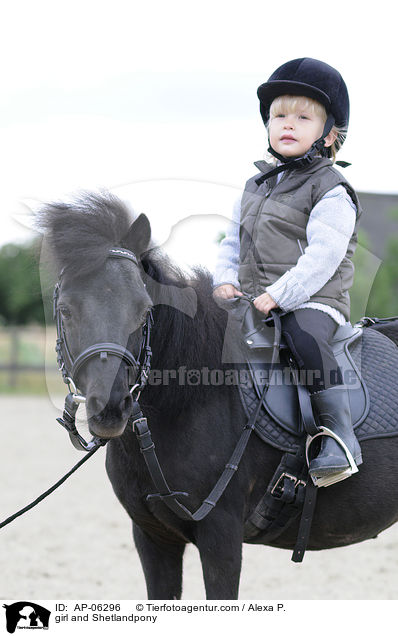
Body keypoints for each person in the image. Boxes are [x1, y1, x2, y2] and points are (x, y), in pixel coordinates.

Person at [213, 58, 362, 486]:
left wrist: (282, 294)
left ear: (329, 133)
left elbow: (324, 255)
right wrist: (223, 281)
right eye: (279, 116)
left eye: (302, 116)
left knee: (302, 336)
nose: (288, 124)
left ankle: (338, 434)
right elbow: (231, 243)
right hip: (253, 300)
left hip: (312, 300)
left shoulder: (330, 188)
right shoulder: (253, 186)